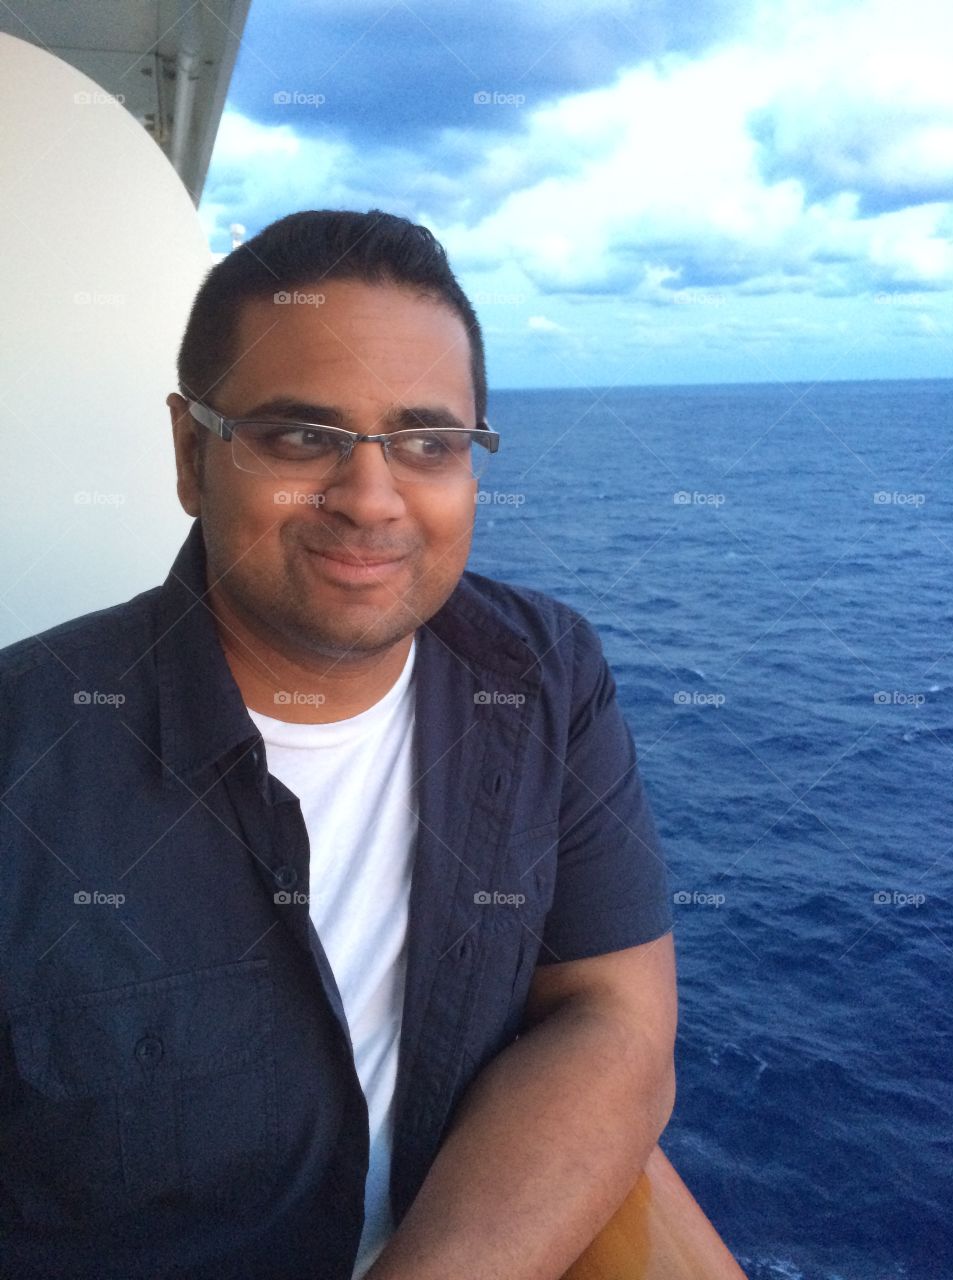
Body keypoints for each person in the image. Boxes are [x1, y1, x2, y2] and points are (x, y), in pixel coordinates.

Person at [0, 210, 677, 1280]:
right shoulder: (26, 746)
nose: (371, 498)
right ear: (191, 452)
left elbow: (614, 1013)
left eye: (428, 441)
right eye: (302, 435)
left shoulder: (542, 674)